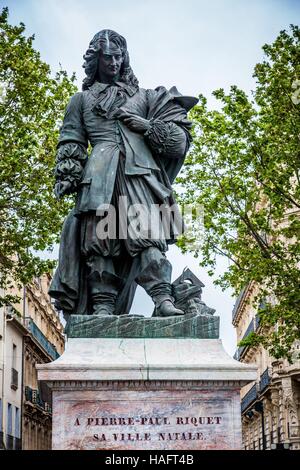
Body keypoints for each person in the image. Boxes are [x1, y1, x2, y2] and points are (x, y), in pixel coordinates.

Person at [49, 29, 198, 318]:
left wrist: (145, 126)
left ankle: (162, 298)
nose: (114, 62)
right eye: (107, 57)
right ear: (97, 60)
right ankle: (102, 306)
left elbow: (178, 142)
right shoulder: (80, 100)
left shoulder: (145, 97)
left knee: (149, 234)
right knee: (100, 243)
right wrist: (67, 175)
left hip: (139, 174)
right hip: (99, 176)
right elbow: (71, 140)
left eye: (118, 56)